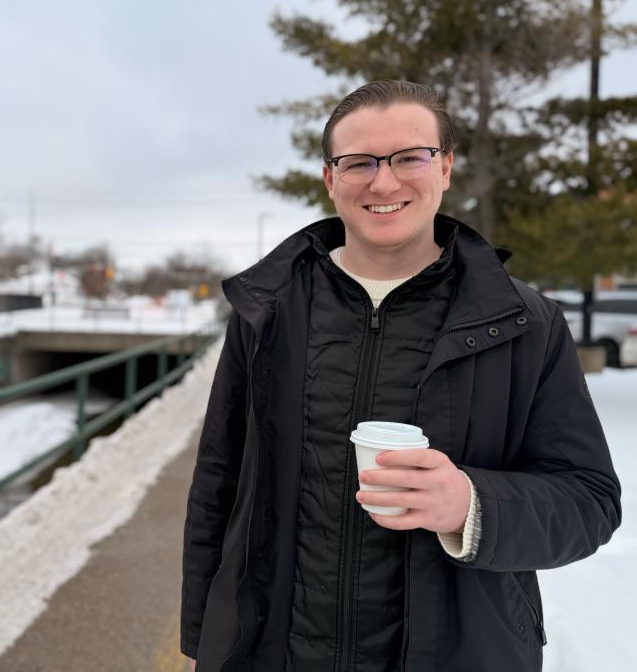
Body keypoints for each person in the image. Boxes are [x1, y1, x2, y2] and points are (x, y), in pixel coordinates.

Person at [180, 80, 622, 672]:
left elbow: (588, 500)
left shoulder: (525, 323)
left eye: (409, 157)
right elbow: (218, 484)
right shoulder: (269, 309)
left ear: (445, 167)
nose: (383, 182)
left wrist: (470, 504)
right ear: (330, 179)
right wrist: (203, 642)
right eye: (358, 162)